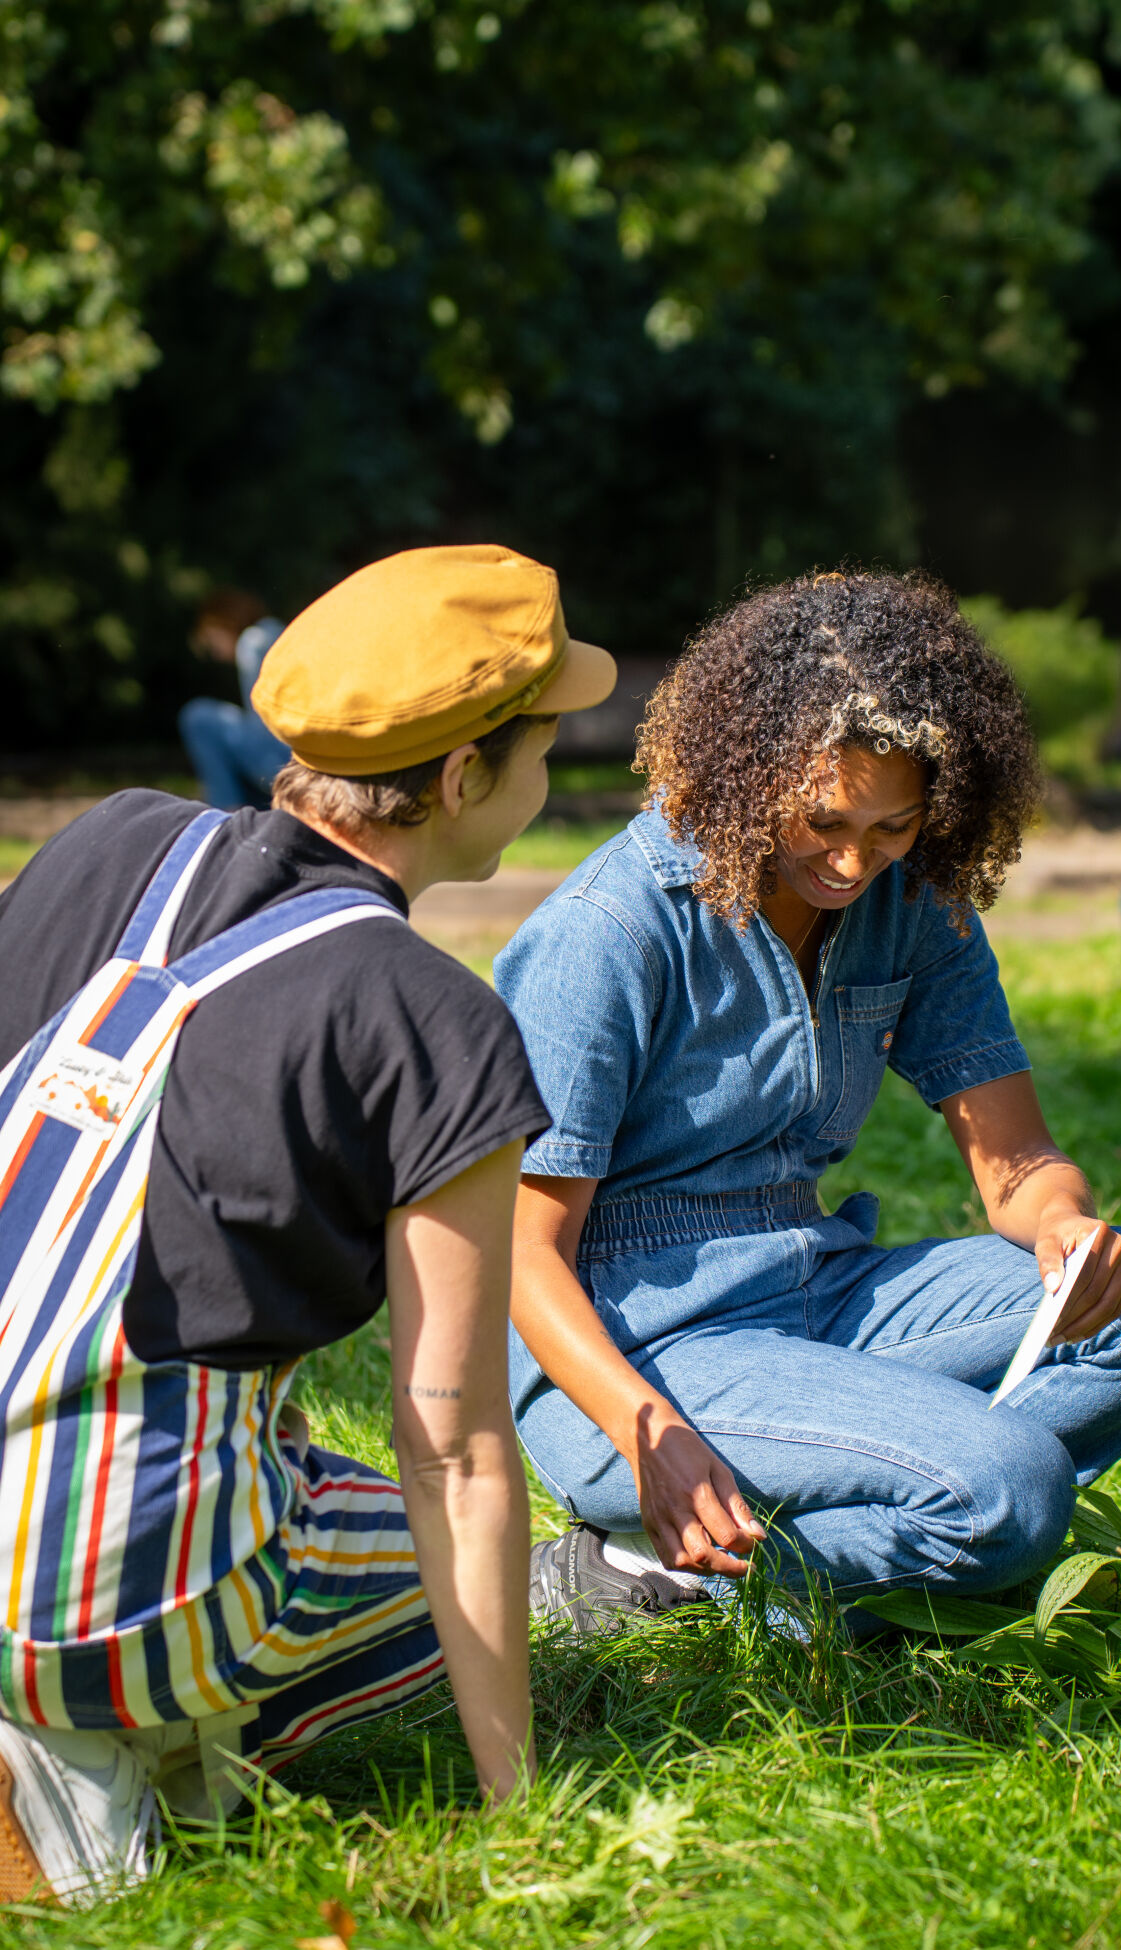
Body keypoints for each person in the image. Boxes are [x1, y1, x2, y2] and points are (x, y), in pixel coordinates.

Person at [0, 543, 615, 1904]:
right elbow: (454, 1443)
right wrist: (522, 1808)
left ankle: (118, 1724)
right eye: (542, 754)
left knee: (286, 1454)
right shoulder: (433, 1021)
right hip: (89, 1584)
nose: (546, 785)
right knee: (494, 1573)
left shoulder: (105, 837)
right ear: (461, 778)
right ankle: (95, 1745)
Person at [495, 570, 1121, 1634]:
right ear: (740, 771)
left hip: (817, 1293)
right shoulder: (609, 935)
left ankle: (830, 1531)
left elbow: (1016, 1163)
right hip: (637, 1361)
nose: (854, 861)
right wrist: (645, 1432)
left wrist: (1067, 1226)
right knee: (1014, 1485)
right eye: (823, 821)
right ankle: (660, 1575)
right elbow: (519, 1258)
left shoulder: (913, 905)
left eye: (894, 827)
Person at [179, 587, 290, 809]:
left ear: (222, 624)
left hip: (283, 764)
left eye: (211, 642)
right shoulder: (274, 631)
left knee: (198, 716)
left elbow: (265, 725)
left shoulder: (253, 642)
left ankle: (225, 811)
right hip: (301, 763)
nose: (217, 654)